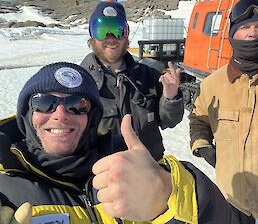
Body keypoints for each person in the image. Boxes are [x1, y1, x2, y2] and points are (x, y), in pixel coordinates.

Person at [0, 62, 239, 224]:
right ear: (27, 114)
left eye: (77, 105)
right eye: (44, 103)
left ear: (92, 116)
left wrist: (167, 194)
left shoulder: (144, 74)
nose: (60, 114)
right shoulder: (5, 183)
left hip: (143, 164)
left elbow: (166, 118)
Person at [189, 0, 258, 224]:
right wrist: (202, 146)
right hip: (233, 203)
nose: (252, 33)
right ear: (231, 33)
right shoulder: (213, 84)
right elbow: (198, 120)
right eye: (245, 27)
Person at [80, 1, 184, 161]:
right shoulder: (81, 82)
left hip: (150, 168)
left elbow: (168, 121)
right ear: (92, 36)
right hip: (106, 174)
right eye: (102, 31)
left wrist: (171, 98)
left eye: (117, 30)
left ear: (126, 33)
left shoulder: (149, 75)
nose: (111, 39)